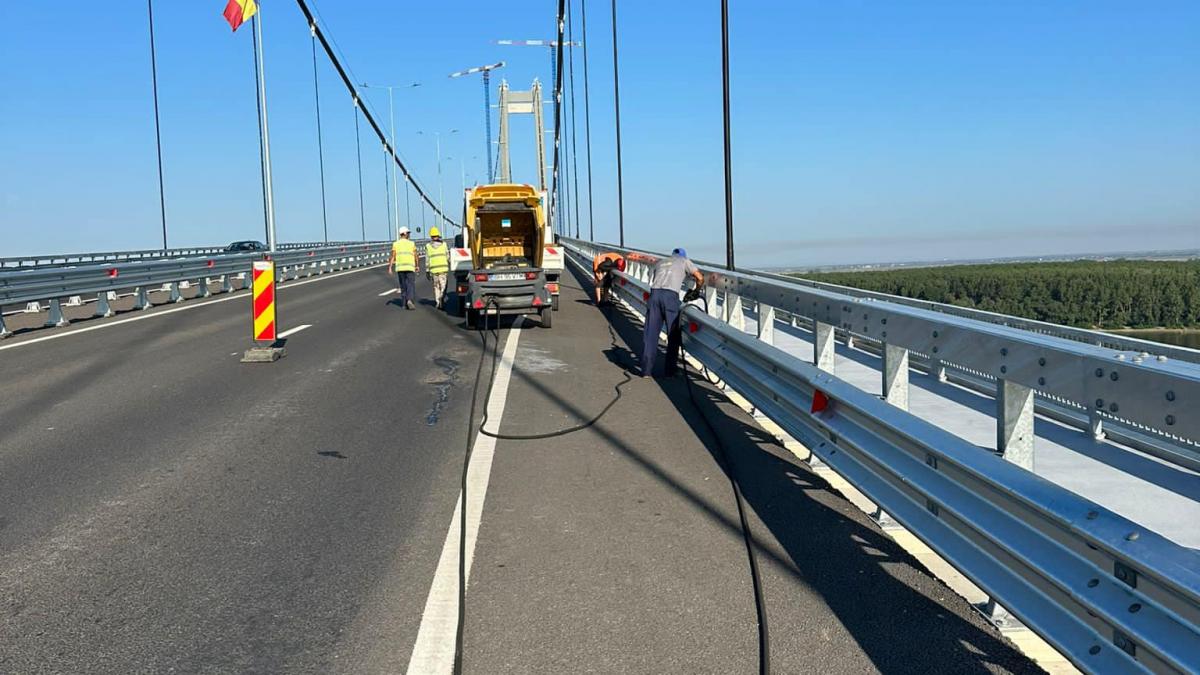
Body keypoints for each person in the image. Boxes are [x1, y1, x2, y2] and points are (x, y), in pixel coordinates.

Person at [641, 247, 704, 378]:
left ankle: (646, 370)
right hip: (670, 297)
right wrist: (696, 291)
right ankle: (670, 371)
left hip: (654, 295)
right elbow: (700, 277)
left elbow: (654, 279)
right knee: (673, 334)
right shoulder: (684, 261)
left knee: (650, 334)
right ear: (684, 256)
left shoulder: (661, 262)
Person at [389, 226, 419, 310]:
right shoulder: (411, 243)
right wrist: (417, 266)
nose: (409, 234)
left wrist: (390, 267)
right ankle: (409, 300)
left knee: (403, 286)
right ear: (405, 233)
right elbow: (416, 255)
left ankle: (403, 304)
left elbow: (393, 256)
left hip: (400, 268)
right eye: (408, 233)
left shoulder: (395, 244)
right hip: (410, 267)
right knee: (410, 285)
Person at [425, 226, 450, 310]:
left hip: (434, 270)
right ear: (438, 235)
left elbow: (427, 259)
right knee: (443, 286)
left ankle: (438, 302)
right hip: (443, 270)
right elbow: (447, 256)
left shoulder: (428, 246)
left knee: (436, 287)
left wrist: (427, 270)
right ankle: (442, 297)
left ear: (431, 236)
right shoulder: (444, 245)